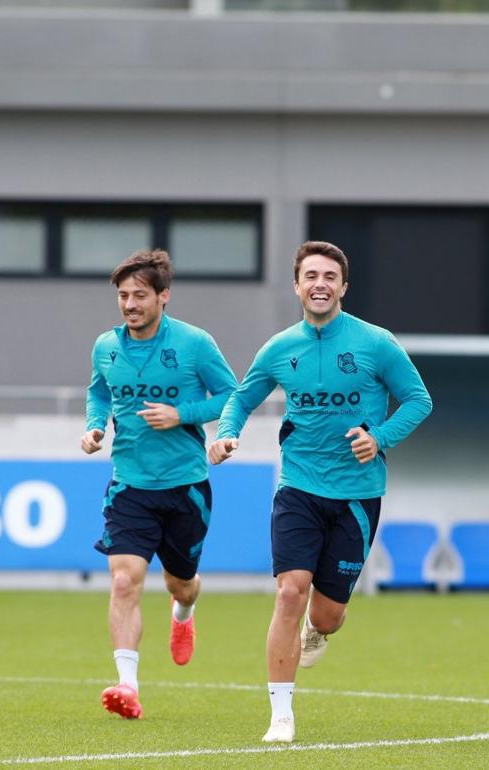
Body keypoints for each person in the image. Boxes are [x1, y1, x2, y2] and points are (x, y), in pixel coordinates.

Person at [208, 241, 431, 743]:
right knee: (290, 591)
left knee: (328, 615)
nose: (320, 284)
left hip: (357, 495)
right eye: (311, 276)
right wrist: (227, 433)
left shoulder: (376, 343)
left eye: (330, 276)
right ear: (297, 286)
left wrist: (380, 438)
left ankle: (318, 628)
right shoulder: (279, 348)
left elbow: (419, 399)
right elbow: (240, 399)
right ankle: (280, 716)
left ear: (344, 286)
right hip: (298, 488)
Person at [82, 249, 239, 720]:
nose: (129, 304)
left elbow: (232, 396)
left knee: (181, 583)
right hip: (128, 485)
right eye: (123, 296)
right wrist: (95, 426)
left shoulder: (194, 343)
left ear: (163, 296)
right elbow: (98, 392)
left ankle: (183, 613)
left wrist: (182, 414)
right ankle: (127, 685)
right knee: (124, 580)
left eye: (139, 295)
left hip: (185, 486)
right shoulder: (105, 347)